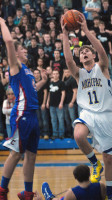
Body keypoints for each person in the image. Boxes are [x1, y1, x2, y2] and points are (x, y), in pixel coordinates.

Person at [61, 14, 112, 200]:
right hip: (88, 113)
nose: (83, 53)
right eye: (81, 52)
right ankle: (94, 163)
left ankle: (108, 195)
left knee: (108, 158)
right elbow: (69, 61)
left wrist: (85, 31)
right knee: (78, 135)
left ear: (92, 55)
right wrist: (64, 33)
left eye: (87, 51)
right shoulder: (79, 74)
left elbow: (102, 52)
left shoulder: (103, 67)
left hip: (105, 115)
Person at [0, 17, 47, 200]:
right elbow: (9, 41)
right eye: (23, 49)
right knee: (16, 153)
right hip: (22, 115)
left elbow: (32, 91)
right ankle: (2, 190)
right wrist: (2, 23)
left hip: (33, 116)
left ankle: (27, 193)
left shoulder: (27, 69)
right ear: (15, 53)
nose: (26, 50)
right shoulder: (15, 66)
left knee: (31, 156)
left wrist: (43, 80)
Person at [34, 164, 106, 200]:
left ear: (75, 177)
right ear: (89, 174)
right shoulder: (101, 185)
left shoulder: (72, 192)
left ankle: (49, 198)